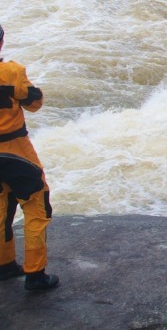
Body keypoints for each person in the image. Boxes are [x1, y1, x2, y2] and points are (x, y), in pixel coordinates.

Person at [0, 23, 59, 291]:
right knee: (36, 205)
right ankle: (35, 274)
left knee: (1, 206)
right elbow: (34, 102)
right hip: (14, 150)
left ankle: (4, 264)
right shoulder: (12, 72)